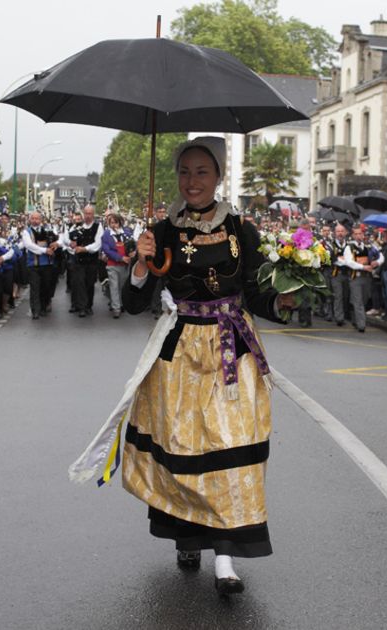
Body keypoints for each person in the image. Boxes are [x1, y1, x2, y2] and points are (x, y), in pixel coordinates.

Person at [73, 137, 292, 596]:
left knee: (231, 446)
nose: (192, 182)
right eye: (185, 172)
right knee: (182, 449)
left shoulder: (241, 230)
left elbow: (255, 292)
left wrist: (282, 300)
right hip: (178, 355)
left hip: (233, 350)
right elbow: (135, 303)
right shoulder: (162, 232)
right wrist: (140, 261)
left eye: (202, 172)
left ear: (218, 177)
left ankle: (226, 558)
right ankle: (186, 535)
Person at [21, 210, 60, 319]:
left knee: (45, 287)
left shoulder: (47, 231)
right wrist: (44, 250)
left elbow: (56, 243)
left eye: (37, 218)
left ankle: (43, 307)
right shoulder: (26, 232)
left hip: (46, 264)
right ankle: (35, 311)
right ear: (30, 219)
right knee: (35, 288)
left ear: (41, 220)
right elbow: (29, 246)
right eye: (33, 218)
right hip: (33, 264)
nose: (35, 221)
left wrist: (54, 246)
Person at [100, 213, 134, 318]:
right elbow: (107, 250)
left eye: (116, 222)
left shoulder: (127, 233)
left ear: (120, 222)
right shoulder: (106, 234)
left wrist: (133, 253)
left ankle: (121, 304)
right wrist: (120, 257)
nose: (114, 225)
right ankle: (116, 308)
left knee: (122, 286)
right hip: (112, 264)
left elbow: (134, 245)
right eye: (111, 223)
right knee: (114, 286)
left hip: (125, 264)